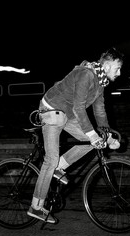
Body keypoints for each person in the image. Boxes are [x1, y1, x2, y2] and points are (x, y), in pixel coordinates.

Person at [27, 48, 124, 223]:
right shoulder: (86, 75)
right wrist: (93, 134)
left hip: (68, 114)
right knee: (51, 159)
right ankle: (36, 206)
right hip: (52, 110)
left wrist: (107, 137)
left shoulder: (100, 81)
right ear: (107, 66)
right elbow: (79, 108)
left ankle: (59, 167)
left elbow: (99, 110)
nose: (119, 72)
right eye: (117, 68)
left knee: (94, 141)